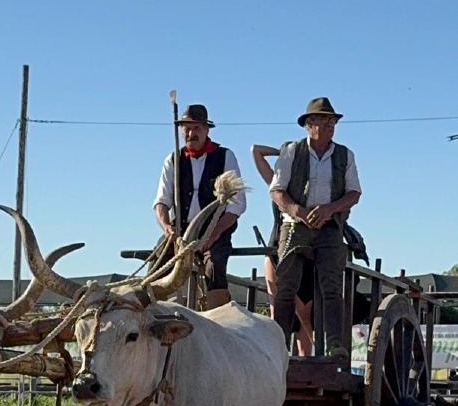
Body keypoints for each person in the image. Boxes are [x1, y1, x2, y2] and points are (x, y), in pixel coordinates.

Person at [269, 97, 362, 360]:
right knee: (286, 284)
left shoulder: (345, 154)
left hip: (330, 226)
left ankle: (334, 345)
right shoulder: (291, 151)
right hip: (295, 224)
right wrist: (298, 211)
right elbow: (277, 191)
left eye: (331, 120)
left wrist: (330, 209)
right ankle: (277, 344)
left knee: (332, 285)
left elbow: (354, 193)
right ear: (309, 125)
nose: (329, 125)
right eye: (322, 120)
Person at [153, 103, 246, 309]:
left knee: (215, 265)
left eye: (196, 128)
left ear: (206, 129)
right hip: (180, 229)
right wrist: (168, 230)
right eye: (186, 128)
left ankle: (218, 319)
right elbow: (161, 201)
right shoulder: (173, 160)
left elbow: (237, 206)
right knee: (156, 266)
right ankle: (154, 317)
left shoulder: (225, 156)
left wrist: (213, 235)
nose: (190, 133)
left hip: (215, 229)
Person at [251, 143, 314, 356]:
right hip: (278, 247)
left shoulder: (315, 184)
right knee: (277, 310)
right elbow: (255, 151)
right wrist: (287, 153)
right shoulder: (277, 184)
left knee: (305, 312)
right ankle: (279, 358)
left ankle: (308, 361)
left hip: (307, 251)